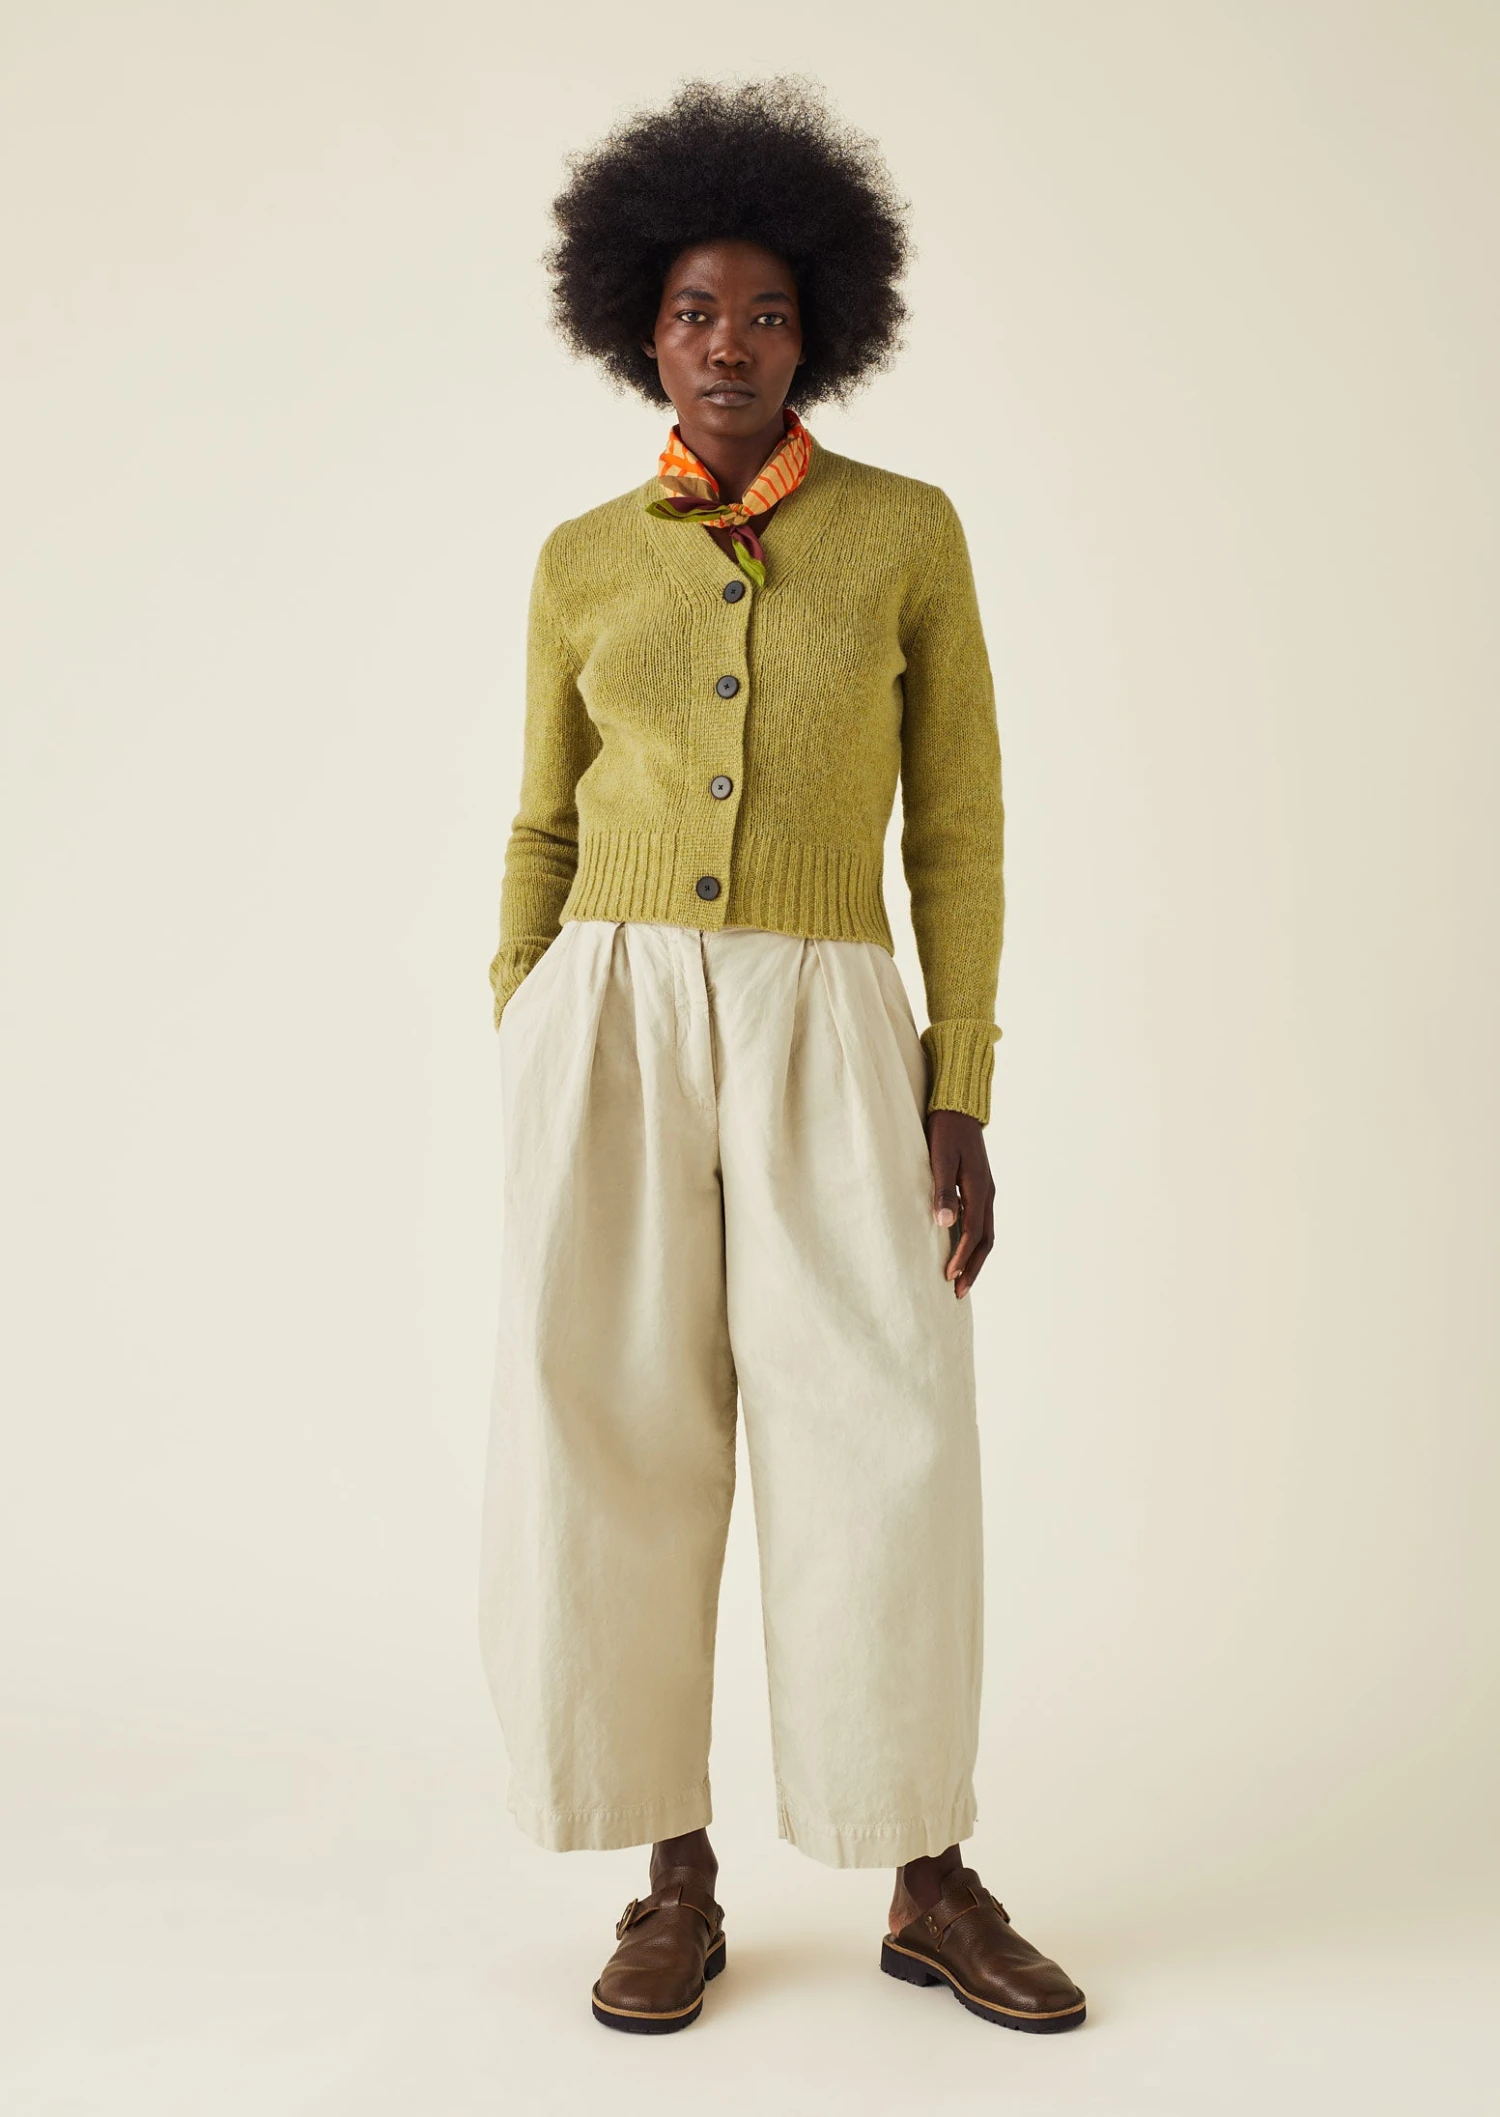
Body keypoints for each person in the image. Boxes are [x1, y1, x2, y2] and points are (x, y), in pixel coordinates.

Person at [480, 76, 1085, 2037]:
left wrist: (959, 1076)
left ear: (818, 324)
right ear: (639, 332)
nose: (727, 342)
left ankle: (923, 1868)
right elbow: (541, 819)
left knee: (885, 1434)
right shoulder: (583, 558)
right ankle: (673, 1870)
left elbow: (961, 826)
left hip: (831, 1010)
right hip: (613, 1016)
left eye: (761, 311)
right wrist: (529, 1017)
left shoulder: (907, 535)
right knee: (615, 1430)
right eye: (692, 312)